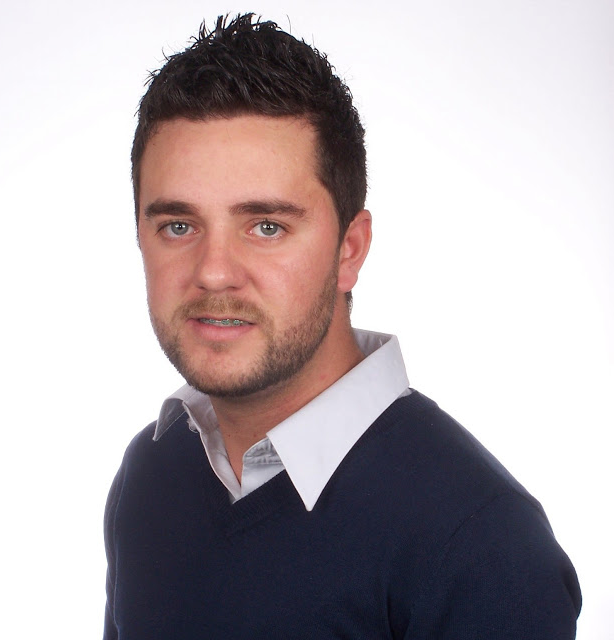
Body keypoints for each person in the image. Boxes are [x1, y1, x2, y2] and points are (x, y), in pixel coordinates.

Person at [103, 14, 581, 639]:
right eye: (178, 226)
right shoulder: (151, 473)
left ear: (350, 250)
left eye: (267, 226)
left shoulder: (481, 545)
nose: (214, 272)